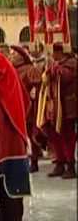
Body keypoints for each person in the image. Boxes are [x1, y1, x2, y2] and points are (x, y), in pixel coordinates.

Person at [42, 43, 77, 179]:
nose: (53, 55)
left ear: (60, 52)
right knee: (55, 134)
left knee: (68, 135)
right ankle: (60, 162)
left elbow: (65, 77)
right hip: (54, 106)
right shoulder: (56, 64)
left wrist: (54, 68)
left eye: (54, 52)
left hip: (68, 107)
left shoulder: (72, 63)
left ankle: (70, 165)